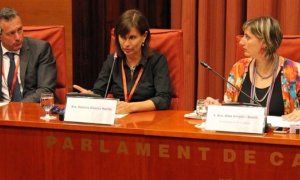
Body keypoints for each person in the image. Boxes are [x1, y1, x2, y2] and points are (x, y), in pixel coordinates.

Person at [74, 9, 172, 114]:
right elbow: (100, 92)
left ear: (144, 36)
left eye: (132, 38)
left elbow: (163, 99)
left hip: (148, 120)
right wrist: (91, 96)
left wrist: (131, 107)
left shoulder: (157, 61)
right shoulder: (113, 60)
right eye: (122, 37)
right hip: (119, 119)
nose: (126, 44)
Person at [206, 16, 300, 121]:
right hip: (242, 135)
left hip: (280, 136)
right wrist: (218, 108)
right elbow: (230, 107)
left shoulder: (295, 71)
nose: (241, 42)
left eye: (247, 37)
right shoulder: (239, 68)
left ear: (265, 42)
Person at [0, 7, 57, 102]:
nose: (18, 37)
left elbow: (46, 90)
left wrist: (16, 108)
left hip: (32, 109)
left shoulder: (41, 49)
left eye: (19, 30)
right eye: (11, 33)